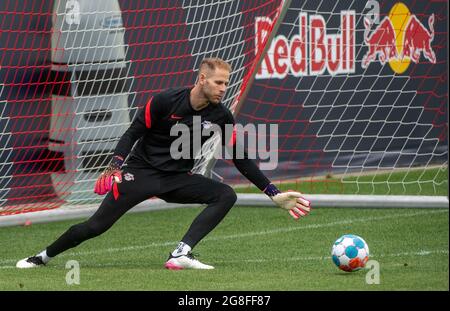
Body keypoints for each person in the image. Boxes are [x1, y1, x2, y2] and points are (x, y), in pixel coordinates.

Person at [16, 58, 311, 270]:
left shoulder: (221, 115)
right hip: (139, 174)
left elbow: (240, 156)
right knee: (95, 226)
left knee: (225, 195)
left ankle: (181, 254)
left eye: (226, 83)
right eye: (219, 82)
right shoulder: (166, 100)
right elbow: (133, 133)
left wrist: (272, 192)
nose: (223, 88)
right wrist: (115, 166)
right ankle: (42, 257)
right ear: (201, 80)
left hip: (177, 179)